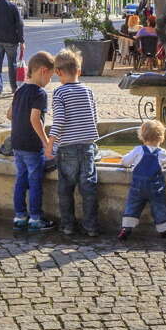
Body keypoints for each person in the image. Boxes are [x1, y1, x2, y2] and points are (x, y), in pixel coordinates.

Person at [47, 49, 101, 236]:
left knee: (65, 188)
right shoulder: (88, 91)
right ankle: (91, 226)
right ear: (79, 70)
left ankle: (68, 225)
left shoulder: (60, 92)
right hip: (87, 146)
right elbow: (95, 118)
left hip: (67, 148)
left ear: (58, 72)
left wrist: (50, 143)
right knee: (88, 188)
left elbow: (59, 120)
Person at [8, 50, 55, 230]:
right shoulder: (40, 94)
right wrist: (45, 142)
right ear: (43, 71)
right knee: (35, 182)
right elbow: (35, 119)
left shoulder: (19, 91)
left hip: (17, 143)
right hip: (31, 145)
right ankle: (35, 218)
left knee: (21, 179)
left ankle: (20, 217)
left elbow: (10, 114)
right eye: (50, 76)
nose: (49, 81)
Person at [117, 119, 166, 241]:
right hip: (155, 188)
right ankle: (163, 230)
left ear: (142, 136)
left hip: (137, 188)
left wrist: (126, 163)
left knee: (132, 206)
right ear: (161, 138)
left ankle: (126, 229)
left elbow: (124, 161)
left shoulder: (138, 150)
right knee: (160, 207)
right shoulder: (161, 153)